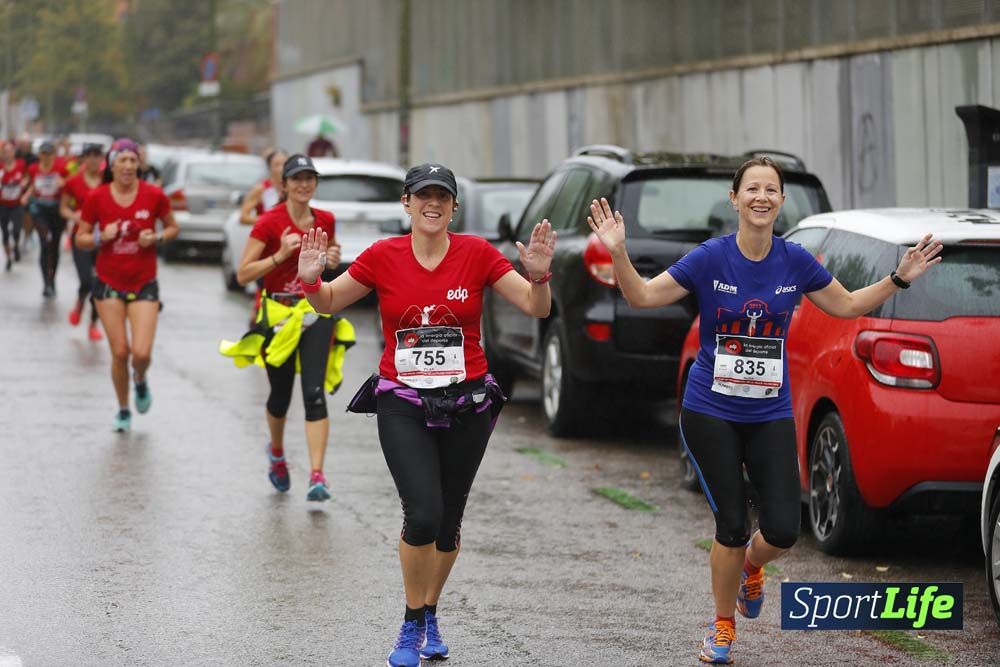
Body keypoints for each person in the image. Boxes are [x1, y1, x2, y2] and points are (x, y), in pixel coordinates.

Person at [586, 156, 942, 665]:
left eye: (770, 189)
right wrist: (619, 253)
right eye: (751, 188)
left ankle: (754, 564)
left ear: (780, 201)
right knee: (730, 524)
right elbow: (641, 296)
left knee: (781, 529)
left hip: (768, 412)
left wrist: (899, 278)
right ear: (734, 199)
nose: (760, 197)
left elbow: (845, 305)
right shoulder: (710, 257)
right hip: (710, 408)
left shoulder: (794, 261)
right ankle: (723, 626)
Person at [297, 163, 556, 667]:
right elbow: (328, 303)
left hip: (469, 402)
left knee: (449, 520)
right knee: (422, 513)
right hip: (404, 401)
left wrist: (540, 275)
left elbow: (536, 307)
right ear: (407, 203)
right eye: (423, 195)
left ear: (454, 206)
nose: (432, 203)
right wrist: (311, 281)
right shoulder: (382, 256)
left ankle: (431, 609)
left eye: (442, 196)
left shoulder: (477, 253)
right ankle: (412, 620)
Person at [227, 154, 343, 502]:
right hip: (277, 313)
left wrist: (331, 259)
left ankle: (317, 475)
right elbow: (243, 273)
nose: (304, 184)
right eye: (297, 179)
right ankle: (277, 453)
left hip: (314, 312)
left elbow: (327, 260)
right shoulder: (269, 222)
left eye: (310, 178)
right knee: (280, 395)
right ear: (284, 184)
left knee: (313, 393)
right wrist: (279, 255)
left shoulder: (325, 219)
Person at [74, 138, 179, 432]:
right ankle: (123, 409)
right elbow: (80, 238)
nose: (129, 166)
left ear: (138, 165)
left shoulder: (154, 195)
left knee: (141, 354)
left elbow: (173, 227)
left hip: (144, 281)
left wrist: (156, 237)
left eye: (133, 161)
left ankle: (141, 380)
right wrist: (99, 237)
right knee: (120, 351)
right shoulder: (97, 197)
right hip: (108, 282)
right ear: (112, 164)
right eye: (123, 160)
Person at [60, 143, 105, 341]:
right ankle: (79, 303)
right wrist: (76, 216)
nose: (94, 159)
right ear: (83, 159)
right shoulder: (73, 182)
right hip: (81, 238)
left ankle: (93, 324)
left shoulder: (109, 181)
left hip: (104, 240)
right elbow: (63, 209)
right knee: (86, 280)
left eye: (98, 155)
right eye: (90, 155)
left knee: (100, 283)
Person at [21, 141, 67, 297]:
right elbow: (32, 185)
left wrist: (64, 183)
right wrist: (26, 194)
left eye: (49, 153)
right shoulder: (33, 168)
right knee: (45, 242)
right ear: (39, 154)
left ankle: (52, 280)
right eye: (43, 153)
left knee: (54, 247)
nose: (46, 156)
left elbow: (70, 185)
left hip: (56, 210)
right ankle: (46, 283)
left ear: (54, 154)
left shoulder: (61, 168)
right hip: (40, 210)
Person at [238, 148, 286, 226]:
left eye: (284, 164)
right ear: (269, 167)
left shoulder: (292, 188)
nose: (281, 168)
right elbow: (243, 217)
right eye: (277, 164)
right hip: (266, 236)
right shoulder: (261, 189)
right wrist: (268, 219)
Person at [0, 141, 28, 271]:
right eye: (5, 151)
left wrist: (23, 183)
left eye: (10, 150)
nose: (8, 153)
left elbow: (28, 178)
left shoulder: (21, 164)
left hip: (17, 204)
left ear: (14, 152)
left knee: (16, 230)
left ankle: (16, 246)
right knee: (5, 232)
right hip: (3, 204)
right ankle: (8, 258)